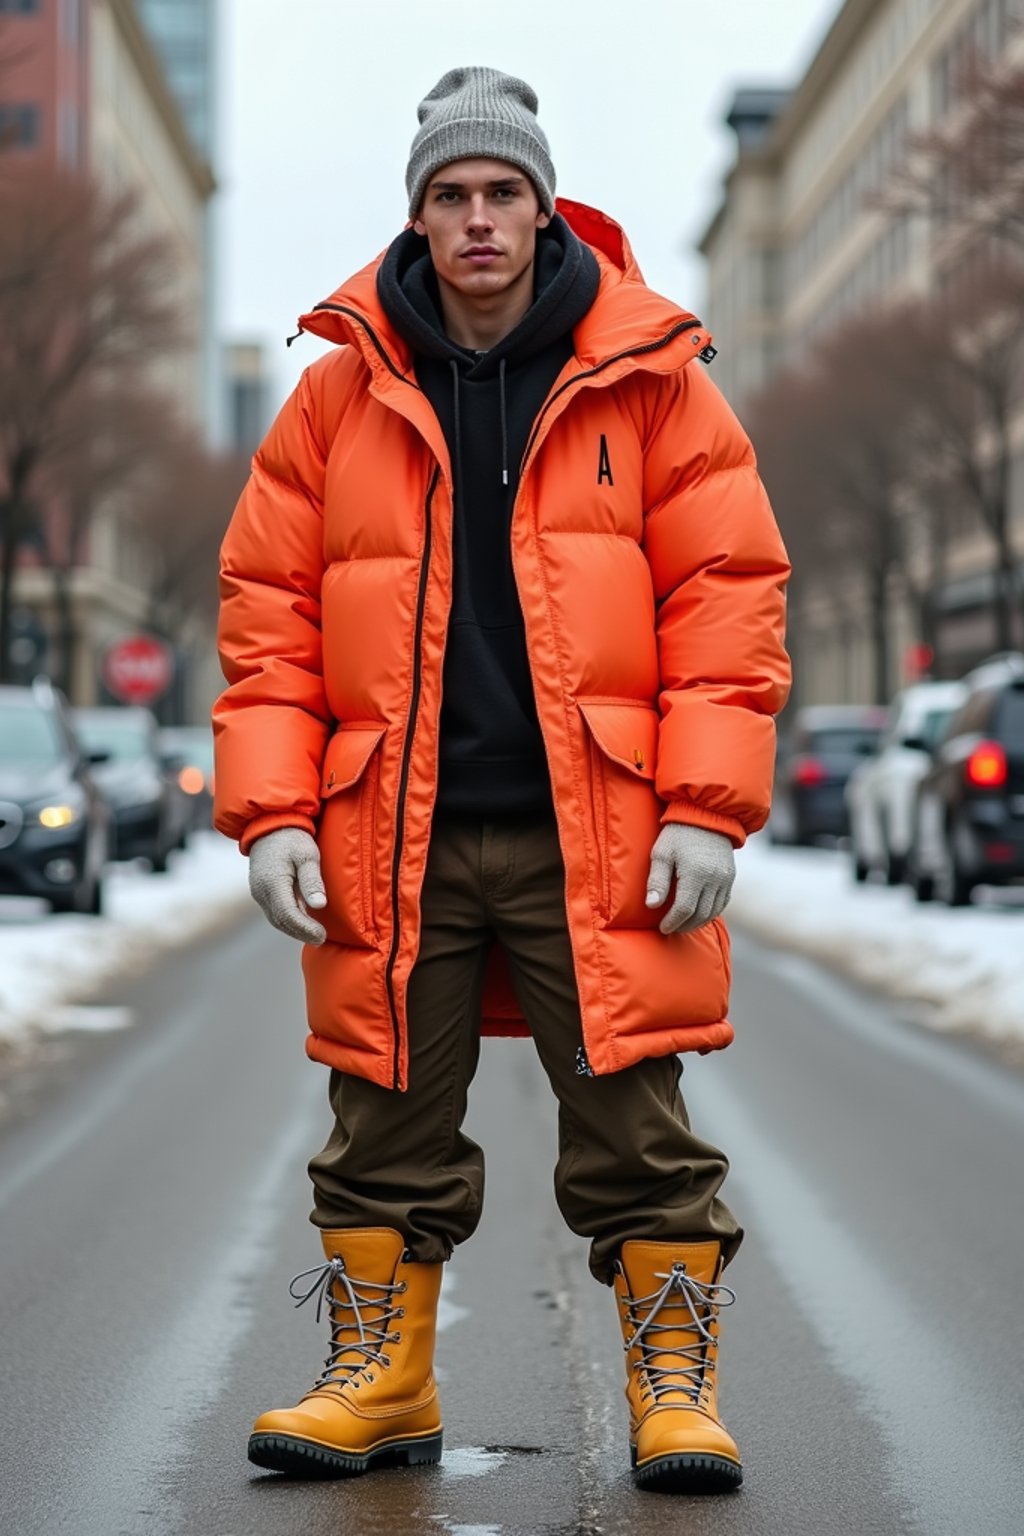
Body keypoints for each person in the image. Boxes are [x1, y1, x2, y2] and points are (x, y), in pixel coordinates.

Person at [213, 64, 790, 1495]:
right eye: (451, 195)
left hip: (593, 829)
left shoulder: (655, 382)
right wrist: (273, 812)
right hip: (388, 829)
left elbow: (729, 599)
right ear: (417, 217)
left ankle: (674, 1390)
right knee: (381, 1121)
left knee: (636, 1122)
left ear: (543, 209)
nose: (478, 219)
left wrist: (707, 808)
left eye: (502, 193)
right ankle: (382, 1379)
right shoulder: (336, 395)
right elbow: (267, 614)